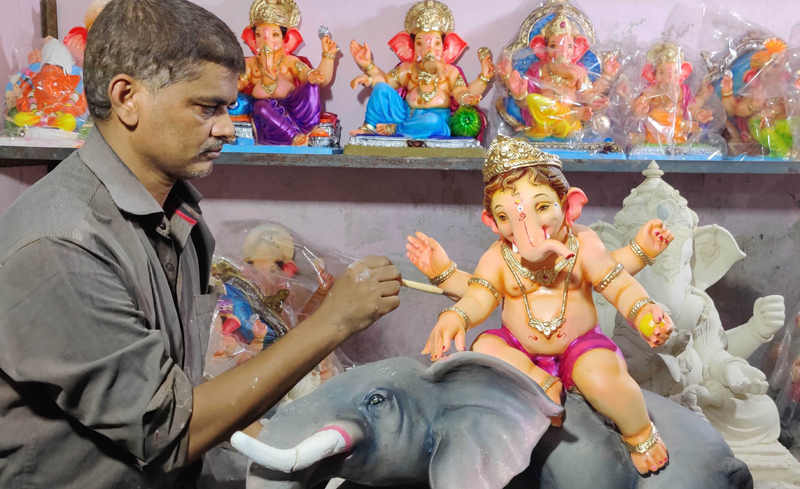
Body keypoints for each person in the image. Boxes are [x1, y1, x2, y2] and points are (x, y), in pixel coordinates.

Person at [0, 1, 402, 488]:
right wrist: (333, 321)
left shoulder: (179, 215)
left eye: (229, 107)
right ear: (127, 97)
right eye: (206, 107)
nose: (227, 127)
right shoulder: (64, 245)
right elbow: (168, 432)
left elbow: (179, 385)